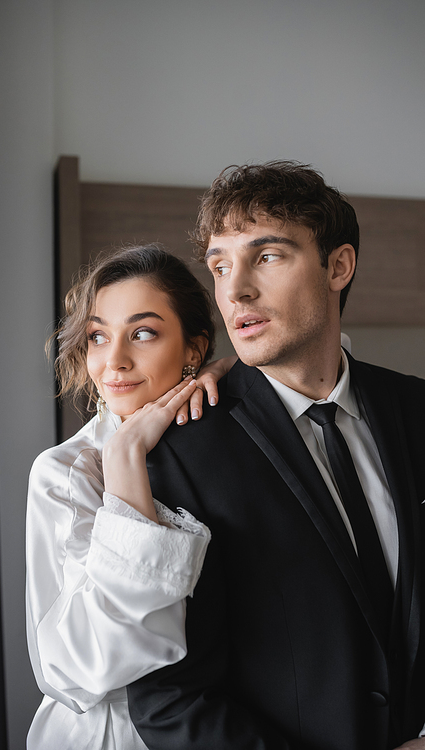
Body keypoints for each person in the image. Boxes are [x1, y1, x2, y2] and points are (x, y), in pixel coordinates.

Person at [128, 162, 425, 750]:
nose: (234, 289)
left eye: (266, 256)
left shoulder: (416, 408)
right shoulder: (181, 453)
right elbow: (170, 701)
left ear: (338, 266)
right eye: (219, 265)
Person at [26, 245, 221, 749]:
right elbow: (70, 671)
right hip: (107, 734)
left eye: (142, 333)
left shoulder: (220, 443)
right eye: (97, 336)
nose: (113, 361)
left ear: (194, 350)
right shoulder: (67, 474)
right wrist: (125, 458)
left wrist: (231, 373)